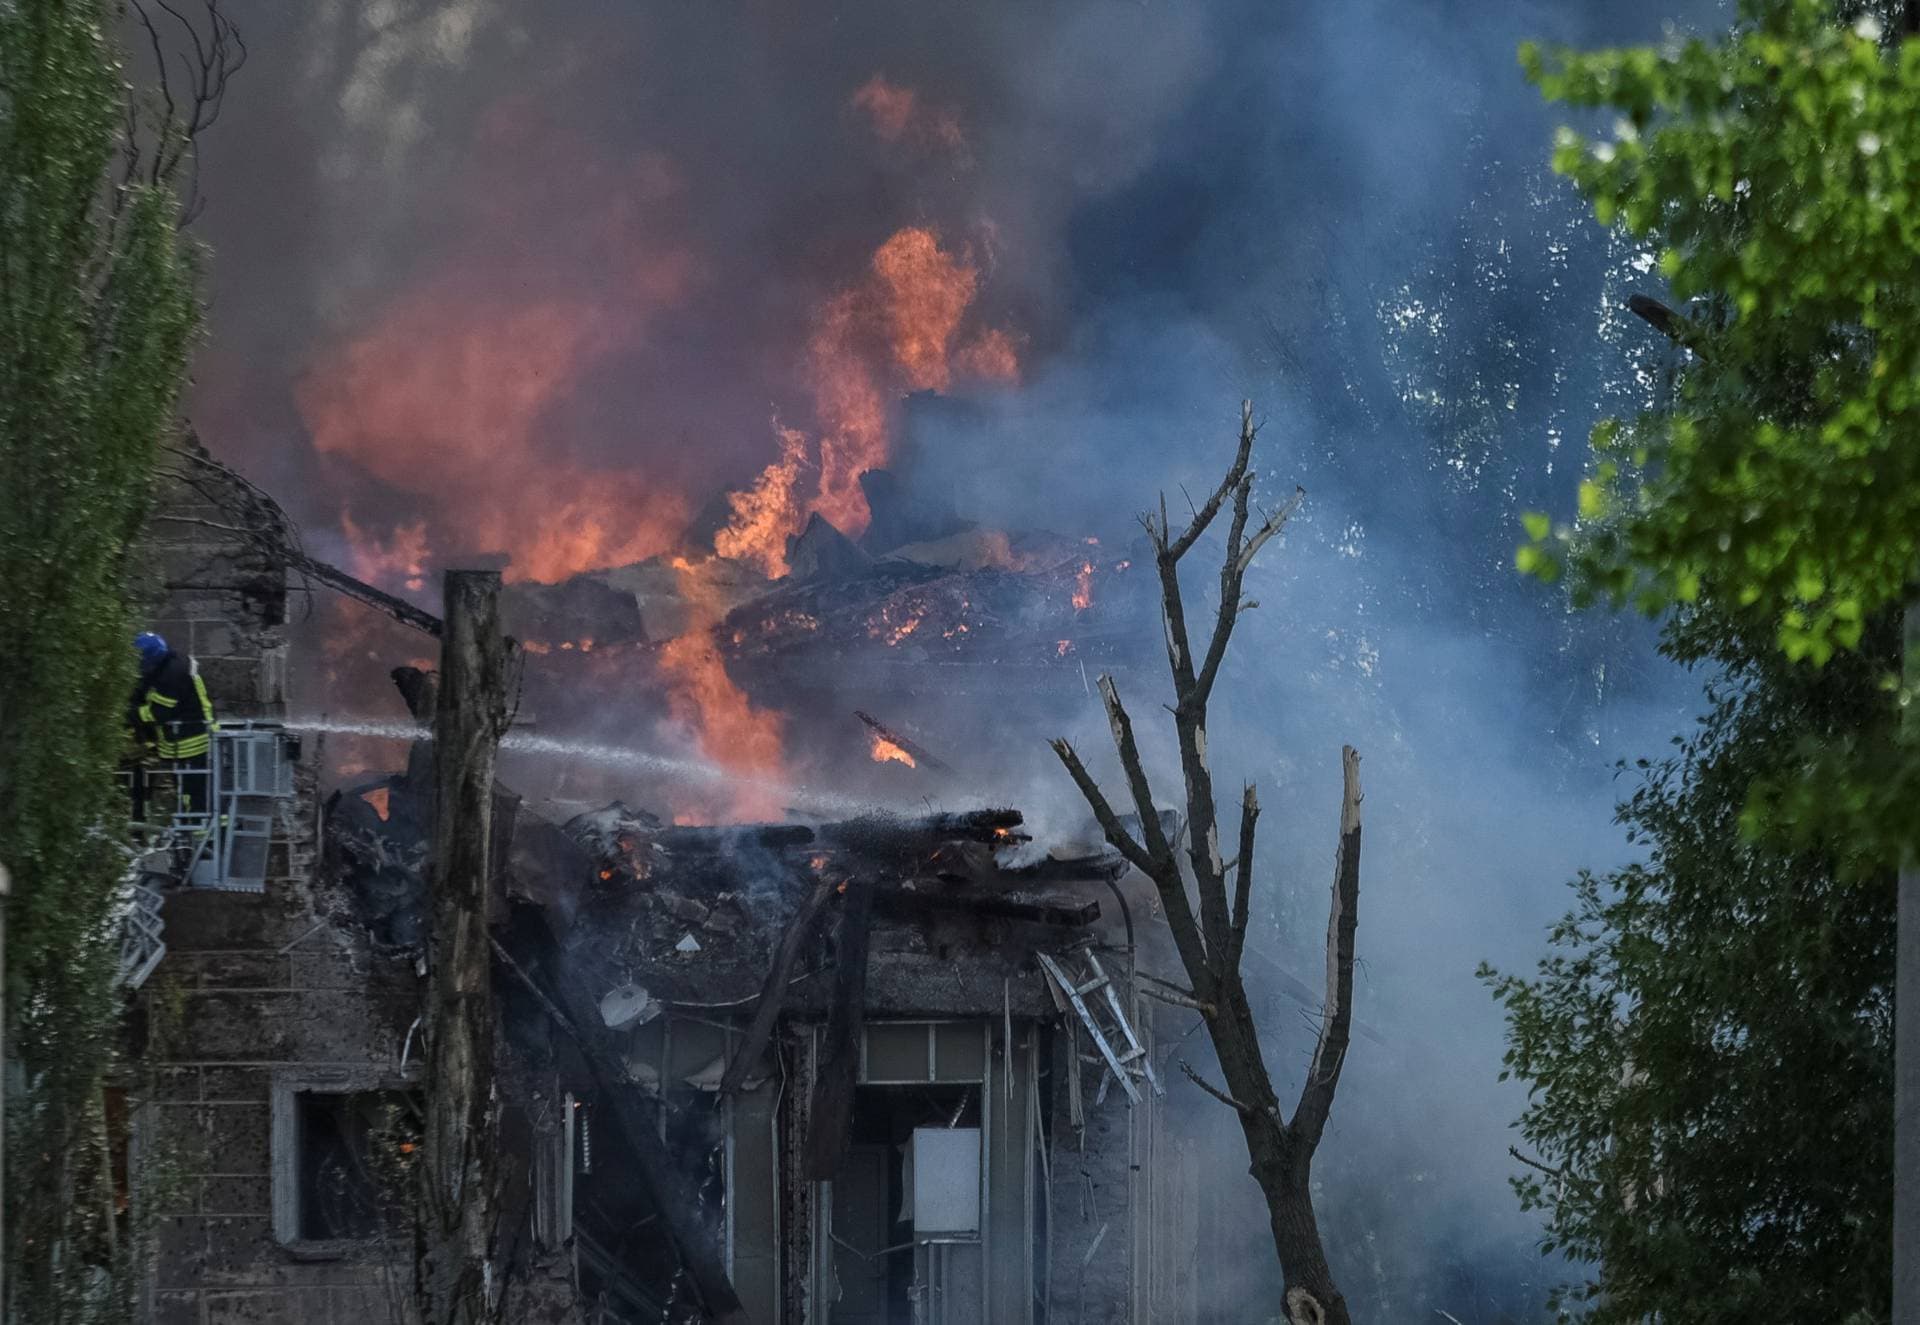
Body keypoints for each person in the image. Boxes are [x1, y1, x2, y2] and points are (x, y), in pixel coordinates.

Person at [128, 632, 216, 821]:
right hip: (190, 741)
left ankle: (200, 835)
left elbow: (157, 713)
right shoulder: (170, 664)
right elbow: (143, 690)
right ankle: (197, 832)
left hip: (192, 743)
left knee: (194, 797)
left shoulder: (172, 675)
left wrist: (129, 714)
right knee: (191, 794)